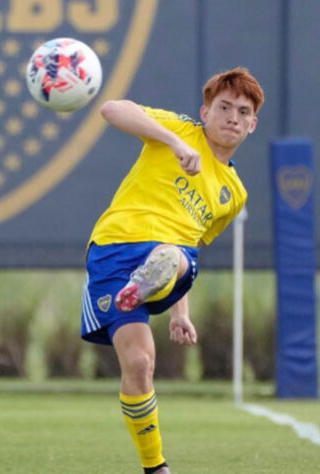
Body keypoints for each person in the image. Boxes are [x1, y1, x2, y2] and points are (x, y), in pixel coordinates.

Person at [81, 67, 264, 474]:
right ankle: (155, 467)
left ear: (253, 125)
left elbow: (194, 243)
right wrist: (173, 142)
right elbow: (112, 108)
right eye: (224, 107)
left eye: (243, 112)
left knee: (177, 254)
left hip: (169, 259)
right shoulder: (179, 129)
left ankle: (151, 276)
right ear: (205, 111)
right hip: (114, 248)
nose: (233, 117)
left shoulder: (233, 194)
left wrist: (181, 314)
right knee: (140, 362)